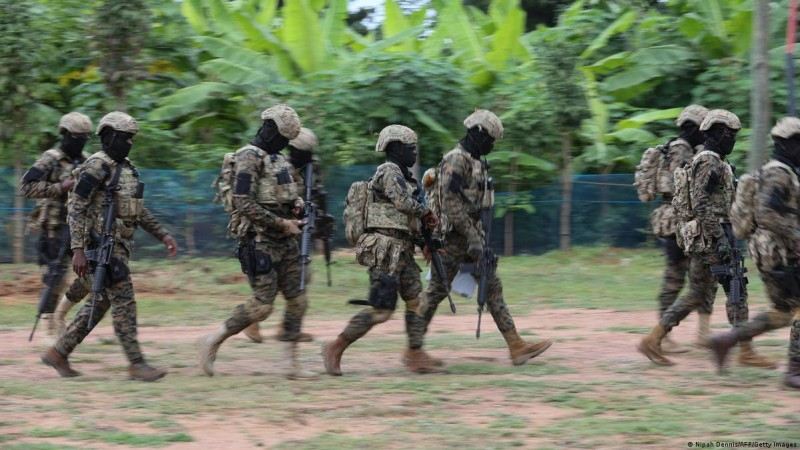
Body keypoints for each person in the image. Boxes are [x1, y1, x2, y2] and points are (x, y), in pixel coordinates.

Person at [41, 111, 178, 381]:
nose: (130, 143)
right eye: (125, 137)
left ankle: (59, 352)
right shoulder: (96, 166)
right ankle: (136, 364)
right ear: (109, 137)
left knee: (101, 301)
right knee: (124, 302)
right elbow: (76, 208)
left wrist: (162, 235)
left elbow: (137, 210)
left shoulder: (126, 169)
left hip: (118, 247)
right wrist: (78, 250)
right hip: (99, 246)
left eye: (132, 138)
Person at [415, 110, 552, 367]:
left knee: (492, 286)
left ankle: (516, 346)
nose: (491, 145)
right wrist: (472, 236)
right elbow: (450, 203)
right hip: (452, 238)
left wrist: (478, 238)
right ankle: (413, 350)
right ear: (477, 134)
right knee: (435, 292)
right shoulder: (456, 160)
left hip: (471, 237)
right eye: (490, 139)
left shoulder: (476, 161)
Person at [638, 109, 772, 368]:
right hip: (714, 237)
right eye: (730, 135)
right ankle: (745, 349)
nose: (733, 140)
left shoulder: (713, 160)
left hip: (709, 236)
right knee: (736, 288)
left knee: (698, 293)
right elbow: (701, 203)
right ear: (717, 133)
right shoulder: (709, 162)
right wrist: (720, 239)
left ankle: (653, 339)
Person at [198, 105, 316, 380]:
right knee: (263, 305)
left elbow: (288, 193)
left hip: (285, 240)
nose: (284, 144)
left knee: (298, 300)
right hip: (259, 240)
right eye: (283, 138)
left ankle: (291, 363)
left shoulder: (278, 159)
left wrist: (297, 206)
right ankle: (213, 340)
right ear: (270, 130)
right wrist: (282, 223)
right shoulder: (248, 157)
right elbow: (243, 202)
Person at [322, 124, 442, 375]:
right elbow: (402, 203)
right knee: (382, 311)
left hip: (404, 251)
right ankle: (335, 347)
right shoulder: (388, 172)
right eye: (410, 148)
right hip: (384, 250)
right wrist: (426, 212)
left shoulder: (407, 179)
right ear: (396, 148)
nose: (414, 153)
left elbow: (406, 221)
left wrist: (424, 243)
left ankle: (415, 353)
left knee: (416, 302)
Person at [709, 116, 800, 389]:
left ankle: (726, 340)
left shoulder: (776, 171)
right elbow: (767, 213)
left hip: (770, 250)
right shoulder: (778, 174)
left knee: (783, 311)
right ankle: (794, 370)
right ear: (788, 144)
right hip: (779, 251)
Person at [20, 112, 93, 338]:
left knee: (89, 274)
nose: (80, 142)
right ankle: (49, 324)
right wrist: (60, 187)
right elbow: (27, 186)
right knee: (56, 276)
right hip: (54, 227)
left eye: (85, 137)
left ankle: (61, 314)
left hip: (80, 227)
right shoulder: (50, 158)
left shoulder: (87, 160)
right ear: (65, 134)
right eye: (76, 137)